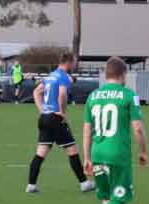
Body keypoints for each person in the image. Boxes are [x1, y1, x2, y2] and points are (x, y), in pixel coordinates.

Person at [82, 57, 148, 204]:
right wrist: (143, 151)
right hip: (117, 155)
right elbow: (137, 128)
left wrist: (87, 157)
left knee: (107, 199)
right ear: (123, 74)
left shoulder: (93, 96)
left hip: (97, 153)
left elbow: (87, 129)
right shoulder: (129, 95)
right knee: (121, 199)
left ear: (106, 74)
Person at [26, 51, 96, 194]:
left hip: (44, 118)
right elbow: (62, 94)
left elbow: (36, 92)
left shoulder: (50, 76)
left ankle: (31, 185)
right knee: (72, 150)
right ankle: (84, 183)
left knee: (40, 153)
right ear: (68, 62)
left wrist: (42, 110)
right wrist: (62, 112)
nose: (74, 65)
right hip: (55, 118)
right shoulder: (63, 76)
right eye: (74, 62)